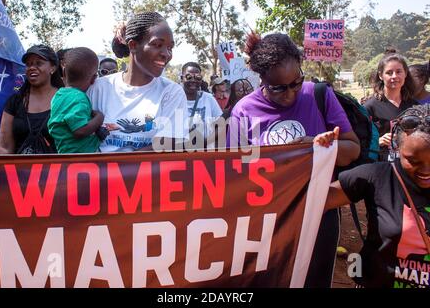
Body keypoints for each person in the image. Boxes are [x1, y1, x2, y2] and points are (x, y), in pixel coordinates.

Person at [229, 31, 361, 288]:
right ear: (261, 79)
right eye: (278, 87)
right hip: (267, 218)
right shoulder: (243, 110)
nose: (290, 94)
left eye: (296, 82)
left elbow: (352, 150)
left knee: (314, 280)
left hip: (319, 212)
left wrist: (319, 146)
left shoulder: (319, 95)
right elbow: (235, 170)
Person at [324, 104, 430, 288]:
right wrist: (318, 156)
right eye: (413, 160)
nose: (426, 171)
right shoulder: (377, 177)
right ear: (396, 147)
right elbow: (313, 200)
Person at [87, 12, 188, 152]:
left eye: (170, 47)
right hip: (98, 173)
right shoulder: (99, 88)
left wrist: (117, 170)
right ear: (133, 45)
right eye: (157, 45)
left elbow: (168, 145)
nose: (166, 54)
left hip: (149, 174)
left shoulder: (171, 92)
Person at [0, 45, 64, 154]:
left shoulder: (65, 99)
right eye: (28, 64)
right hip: (19, 170)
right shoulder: (15, 101)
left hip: (57, 170)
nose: (32, 67)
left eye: (39, 63)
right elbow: (4, 147)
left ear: (53, 68)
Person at [48, 47, 106, 154]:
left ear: (64, 72)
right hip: (81, 157)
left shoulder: (59, 95)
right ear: (93, 79)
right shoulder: (78, 98)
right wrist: (99, 117)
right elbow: (80, 131)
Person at [363, 49, 417, 161]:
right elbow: (359, 142)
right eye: (389, 72)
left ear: (406, 73)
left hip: (410, 165)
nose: (394, 76)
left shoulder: (415, 106)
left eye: (399, 71)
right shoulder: (370, 107)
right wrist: (378, 141)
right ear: (381, 75)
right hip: (381, 166)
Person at [180, 62, 222, 145]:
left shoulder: (208, 98)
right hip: (181, 154)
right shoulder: (174, 99)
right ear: (182, 78)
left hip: (206, 154)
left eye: (198, 77)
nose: (193, 80)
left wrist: (205, 142)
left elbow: (221, 126)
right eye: (189, 77)